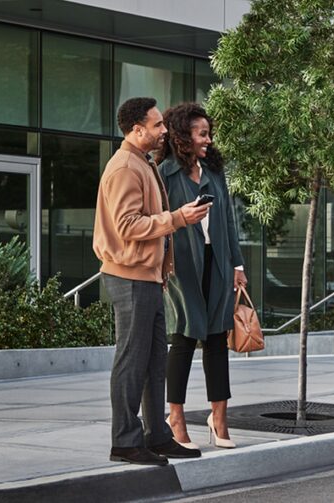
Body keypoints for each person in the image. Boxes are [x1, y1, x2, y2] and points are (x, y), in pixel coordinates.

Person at [94, 97, 210, 465]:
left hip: (147, 278)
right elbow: (127, 226)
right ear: (136, 129)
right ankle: (125, 442)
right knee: (131, 362)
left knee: (154, 361)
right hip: (129, 278)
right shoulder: (125, 168)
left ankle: (156, 436)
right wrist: (178, 218)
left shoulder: (142, 164)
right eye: (157, 125)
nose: (164, 131)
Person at [156, 103, 247, 450]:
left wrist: (237, 265)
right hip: (182, 267)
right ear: (183, 136)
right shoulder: (164, 173)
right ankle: (175, 417)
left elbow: (228, 223)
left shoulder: (213, 172)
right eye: (202, 133)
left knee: (215, 340)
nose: (208, 139)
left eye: (209, 133)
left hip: (218, 262)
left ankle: (218, 417)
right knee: (182, 338)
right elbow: (160, 223)